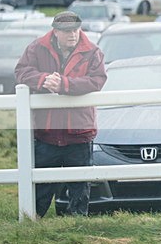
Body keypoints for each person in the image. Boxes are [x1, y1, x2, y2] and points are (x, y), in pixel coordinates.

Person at [14, 11, 107, 217]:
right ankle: (31, 223)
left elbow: (98, 80)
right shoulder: (37, 48)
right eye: (66, 31)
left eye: (75, 29)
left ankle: (77, 227)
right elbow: (21, 71)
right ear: (55, 31)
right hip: (46, 131)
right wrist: (43, 79)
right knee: (41, 186)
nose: (72, 34)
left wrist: (64, 84)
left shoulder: (93, 51)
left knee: (80, 186)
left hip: (79, 132)